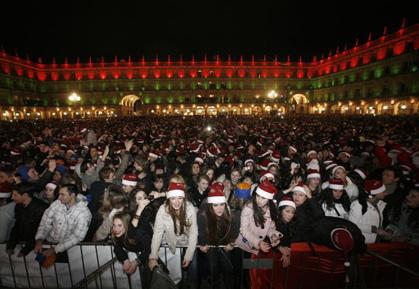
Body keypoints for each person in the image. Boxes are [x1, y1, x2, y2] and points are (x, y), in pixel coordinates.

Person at [148, 181, 198, 285]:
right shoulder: (162, 210)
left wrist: (189, 255)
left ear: (183, 198)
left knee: (193, 271)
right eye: (173, 198)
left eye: (180, 198)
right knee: (173, 274)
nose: (177, 202)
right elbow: (157, 234)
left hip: (189, 243)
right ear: (169, 199)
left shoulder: (190, 209)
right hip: (172, 244)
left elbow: (193, 232)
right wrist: (153, 256)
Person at [235, 179, 281, 289]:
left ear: (269, 198)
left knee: (257, 275)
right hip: (246, 247)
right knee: (244, 275)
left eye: (263, 197)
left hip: (261, 248)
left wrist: (273, 236)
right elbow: (244, 230)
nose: (259, 200)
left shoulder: (273, 210)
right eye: (258, 196)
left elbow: (271, 228)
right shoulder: (248, 208)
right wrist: (258, 242)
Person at [34, 184, 92, 257]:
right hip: (49, 243)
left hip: (68, 250)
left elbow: (77, 237)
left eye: (62, 195)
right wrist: (39, 240)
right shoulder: (57, 204)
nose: (59, 197)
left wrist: (55, 249)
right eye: (59, 194)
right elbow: (45, 223)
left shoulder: (84, 213)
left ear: (72, 195)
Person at [197, 185, 238, 288]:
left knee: (228, 268)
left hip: (225, 244)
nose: (219, 208)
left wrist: (232, 243)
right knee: (213, 269)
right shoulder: (202, 214)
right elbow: (200, 230)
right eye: (215, 205)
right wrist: (202, 244)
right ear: (210, 206)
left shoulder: (230, 214)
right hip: (210, 244)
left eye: (222, 205)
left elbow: (235, 229)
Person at [6, 181, 49, 256]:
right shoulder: (18, 206)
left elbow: (40, 231)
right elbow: (17, 226)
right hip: (24, 245)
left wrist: (25, 250)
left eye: (15, 195)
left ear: (25, 195)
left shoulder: (42, 208)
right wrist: (10, 245)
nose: (12, 198)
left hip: (38, 249)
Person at [111, 210, 152, 285]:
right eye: (114, 225)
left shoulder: (139, 234)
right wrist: (125, 260)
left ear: (126, 226)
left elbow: (150, 249)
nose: (115, 229)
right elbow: (117, 247)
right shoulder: (116, 234)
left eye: (120, 225)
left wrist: (136, 262)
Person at [348, 179, 389, 244]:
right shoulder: (358, 205)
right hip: (361, 243)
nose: (386, 193)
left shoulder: (380, 204)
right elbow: (352, 225)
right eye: (383, 192)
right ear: (375, 193)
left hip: (373, 242)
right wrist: (374, 229)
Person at [275, 197, 297, 268]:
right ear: (281, 211)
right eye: (287, 211)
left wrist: (287, 252)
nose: (290, 215)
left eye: (292, 212)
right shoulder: (273, 224)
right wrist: (279, 248)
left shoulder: (292, 225)